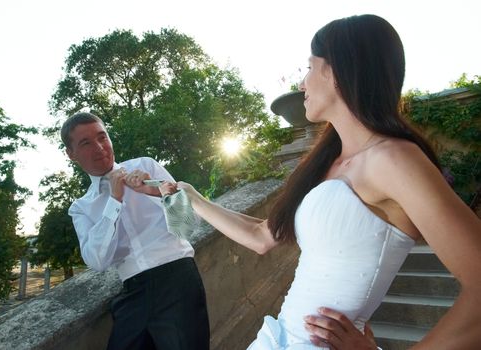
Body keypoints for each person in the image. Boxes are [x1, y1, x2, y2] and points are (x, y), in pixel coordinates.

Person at [172, 14, 481, 349]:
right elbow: (261, 236)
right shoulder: (329, 163)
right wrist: (192, 198)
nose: (302, 83)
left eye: (308, 67)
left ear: (336, 72)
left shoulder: (393, 160)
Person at [61, 112, 210, 350]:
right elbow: (97, 261)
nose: (99, 147)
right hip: (132, 293)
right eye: (86, 143)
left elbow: (190, 224)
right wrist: (114, 201)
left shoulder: (146, 166)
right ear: (71, 154)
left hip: (176, 278)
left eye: (102, 137)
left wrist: (153, 191)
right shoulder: (81, 207)